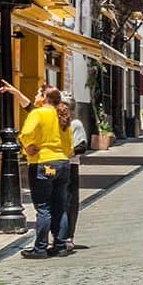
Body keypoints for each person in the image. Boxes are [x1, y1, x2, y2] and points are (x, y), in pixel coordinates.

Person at [16, 84, 70, 259]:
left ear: (45, 97)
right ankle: (60, 245)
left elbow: (25, 133)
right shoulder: (61, 114)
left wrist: (28, 147)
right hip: (62, 162)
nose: (35, 96)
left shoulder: (38, 113)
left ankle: (40, 248)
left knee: (43, 207)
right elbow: (68, 144)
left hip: (43, 162)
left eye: (38, 93)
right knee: (59, 206)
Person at [61, 100, 88, 249]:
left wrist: (65, 153)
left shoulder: (75, 124)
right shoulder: (53, 123)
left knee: (70, 201)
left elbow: (82, 146)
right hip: (55, 165)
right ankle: (59, 235)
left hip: (70, 165)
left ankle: (68, 235)